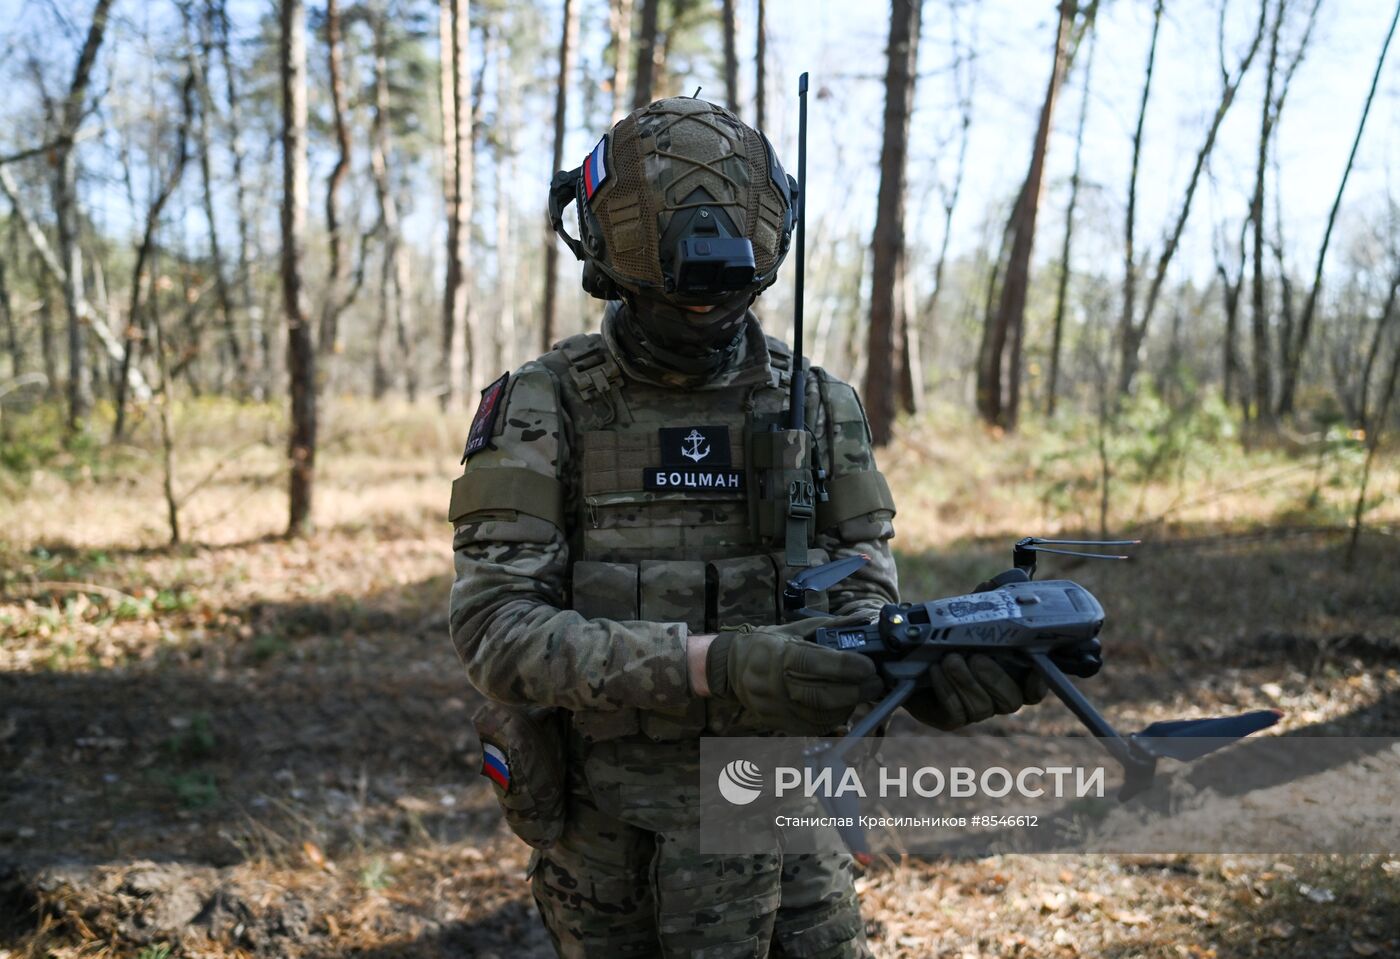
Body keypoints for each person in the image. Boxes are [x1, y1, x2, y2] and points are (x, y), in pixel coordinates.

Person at [448, 96, 1043, 959]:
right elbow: (496, 633)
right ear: (610, 264)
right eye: (675, 304)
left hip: (786, 829)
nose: (704, 323)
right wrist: (711, 666)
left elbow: (864, 609)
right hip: (613, 843)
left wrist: (931, 669)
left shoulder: (820, 405)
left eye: (727, 303)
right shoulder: (546, 405)